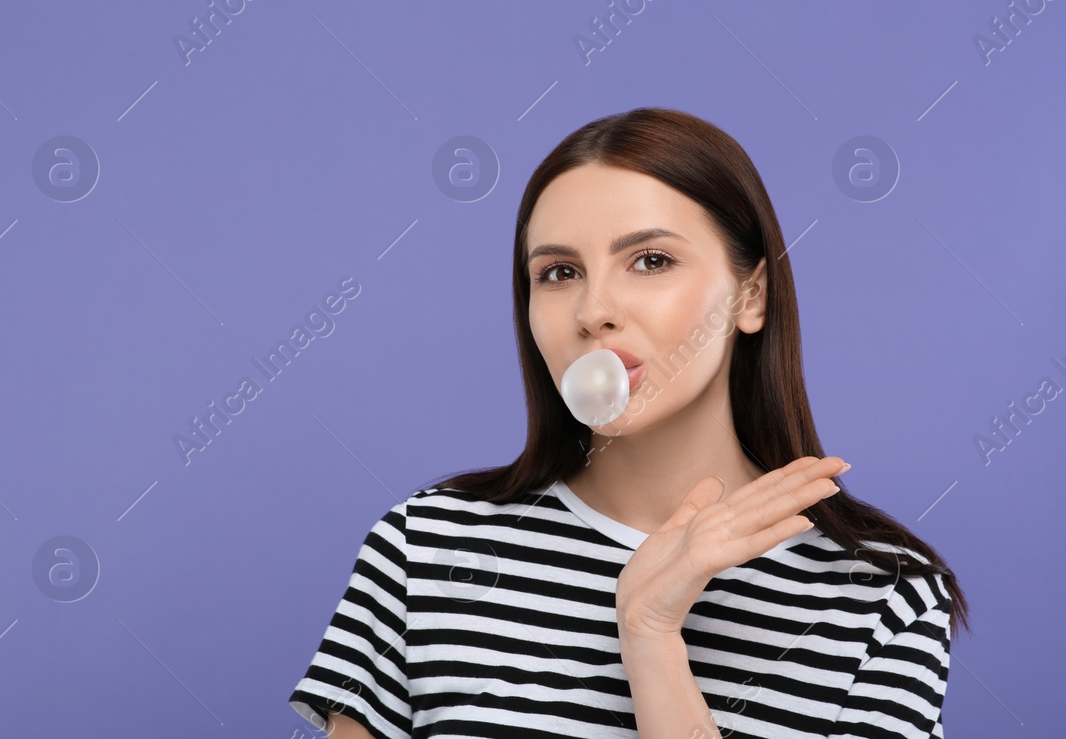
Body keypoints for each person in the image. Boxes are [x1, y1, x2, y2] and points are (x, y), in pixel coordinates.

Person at [287, 107, 968, 738]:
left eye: (650, 260)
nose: (594, 310)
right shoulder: (427, 551)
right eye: (557, 272)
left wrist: (650, 635)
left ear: (750, 294)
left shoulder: (879, 595)